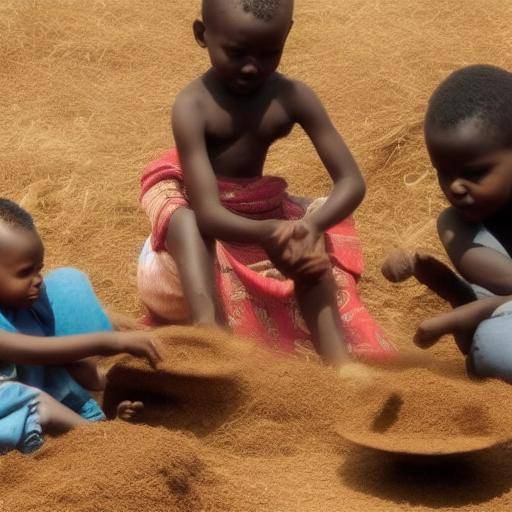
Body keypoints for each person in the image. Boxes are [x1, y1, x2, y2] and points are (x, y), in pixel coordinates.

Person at [137, 0, 395, 365]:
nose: (251, 66)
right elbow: (208, 214)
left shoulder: (292, 96)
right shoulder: (192, 106)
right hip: (189, 225)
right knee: (185, 220)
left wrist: (310, 226)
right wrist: (272, 231)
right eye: (237, 52)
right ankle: (208, 333)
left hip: (255, 212)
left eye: (269, 53)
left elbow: (351, 182)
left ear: (287, 34)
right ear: (201, 35)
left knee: (311, 239)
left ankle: (339, 363)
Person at [381, 64, 512, 381]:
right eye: (444, 172)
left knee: (493, 345)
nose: (455, 187)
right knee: (493, 347)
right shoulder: (457, 224)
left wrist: (467, 314)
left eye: (475, 173)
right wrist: (422, 267)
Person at [0, 199, 162, 454]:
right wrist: (108, 342)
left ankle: (96, 424)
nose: (37, 280)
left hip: (28, 394)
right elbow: (31, 349)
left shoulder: (31, 303)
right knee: (37, 404)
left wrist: (102, 381)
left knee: (64, 383)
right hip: (11, 407)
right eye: (24, 273)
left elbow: (64, 357)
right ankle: (101, 440)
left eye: (39, 269)